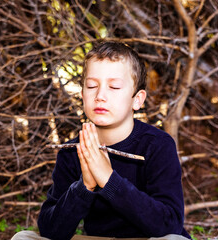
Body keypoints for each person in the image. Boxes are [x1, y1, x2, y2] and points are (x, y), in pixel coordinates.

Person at [12, 41, 190, 240]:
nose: (100, 96)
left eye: (114, 86)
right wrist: (84, 187)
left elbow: (170, 224)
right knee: (24, 238)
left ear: (137, 99)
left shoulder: (157, 145)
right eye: (92, 86)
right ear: (82, 95)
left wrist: (109, 180)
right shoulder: (73, 151)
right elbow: (51, 230)